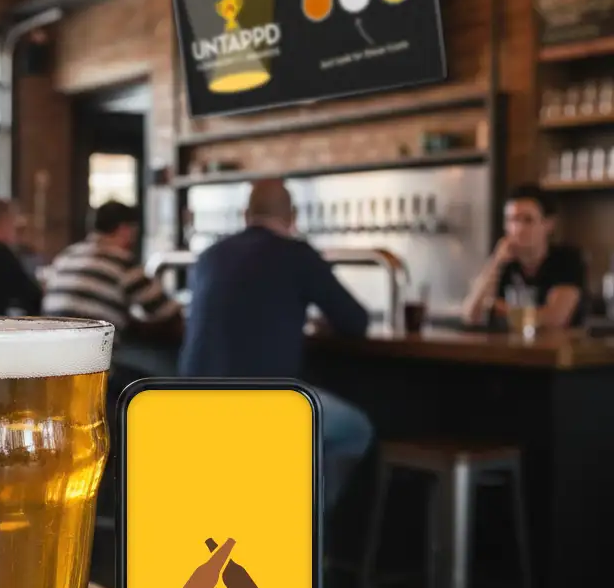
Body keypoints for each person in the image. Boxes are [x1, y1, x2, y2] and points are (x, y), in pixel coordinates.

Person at [178, 178, 374, 513]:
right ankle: (303, 539)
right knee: (355, 429)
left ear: (245, 215)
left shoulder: (210, 256)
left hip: (188, 406)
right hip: (262, 408)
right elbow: (355, 321)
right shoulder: (298, 255)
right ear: (293, 217)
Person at [42, 201, 183, 343]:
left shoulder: (66, 256)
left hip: (51, 352)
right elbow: (168, 313)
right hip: (89, 358)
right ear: (124, 230)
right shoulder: (122, 263)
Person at [462, 184, 586, 330]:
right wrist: (495, 262)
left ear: (549, 224)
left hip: (556, 351)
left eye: (528, 220)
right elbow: (471, 315)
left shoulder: (567, 259)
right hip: (510, 350)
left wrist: (503, 310)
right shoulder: (503, 263)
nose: (518, 229)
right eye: (511, 220)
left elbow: (555, 318)